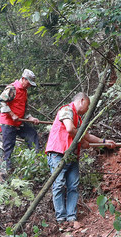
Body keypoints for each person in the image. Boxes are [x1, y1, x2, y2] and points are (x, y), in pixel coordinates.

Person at [45, 92, 115, 223]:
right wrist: (82, 142)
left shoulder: (80, 120)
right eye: (87, 106)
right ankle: (61, 218)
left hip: (72, 156)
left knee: (73, 185)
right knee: (59, 184)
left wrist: (104, 142)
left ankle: (71, 216)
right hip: (58, 153)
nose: (87, 109)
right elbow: (70, 129)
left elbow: (87, 136)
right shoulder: (66, 110)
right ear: (82, 101)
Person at [0, 69, 42, 169]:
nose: (29, 85)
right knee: (8, 147)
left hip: (20, 122)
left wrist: (31, 118)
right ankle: (6, 170)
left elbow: (24, 109)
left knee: (31, 134)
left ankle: (36, 161)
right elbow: (0, 101)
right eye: (28, 83)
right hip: (8, 123)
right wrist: (12, 114)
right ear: (23, 79)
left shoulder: (24, 92)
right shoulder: (12, 88)